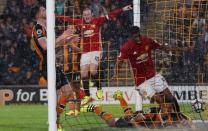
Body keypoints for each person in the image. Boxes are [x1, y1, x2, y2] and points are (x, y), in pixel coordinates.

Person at [56, 5, 133, 105]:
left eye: (88, 14)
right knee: (83, 74)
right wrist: (55, 16)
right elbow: (68, 19)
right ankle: (87, 96)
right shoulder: (80, 23)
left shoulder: (98, 20)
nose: (87, 16)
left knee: (92, 71)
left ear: (92, 15)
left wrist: (122, 9)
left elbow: (111, 15)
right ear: (83, 16)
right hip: (85, 52)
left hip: (96, 50)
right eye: (85, 15)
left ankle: (99, 89)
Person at [112, 26, 194, 113]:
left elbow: (163, 47)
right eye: (135, 37)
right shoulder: (127, 47)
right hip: (140, 81)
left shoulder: (147, 40)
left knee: (170, 97)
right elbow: (120, 61)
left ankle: (179, 116)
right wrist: (115, 73)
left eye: (138, 35)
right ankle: (164, 120)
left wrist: (183, 49)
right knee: (160, 100)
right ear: (131, 37)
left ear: (140, 33)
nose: (138, 38)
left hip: (153, 75)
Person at [30, 4, 81, 130]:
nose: (46, 10)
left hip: (54, 64)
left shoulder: (47, 27)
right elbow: (46, 47)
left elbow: (55, 45)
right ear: (37, 15)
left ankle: (55, 119)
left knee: (68, 92)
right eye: (43, 9)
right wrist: (64, 35)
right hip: (46, 65)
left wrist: (68, 39)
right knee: (58, 94)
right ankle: (54, 122)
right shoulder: (38, 28)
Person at [80, 90, 191, 128]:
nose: (169, 109)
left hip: (144, 122)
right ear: (161, 106)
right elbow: (134, 120)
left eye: (170, 107)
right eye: (167, 106)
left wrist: (188, 124)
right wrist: (141, 128)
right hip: (137, 121)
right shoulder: (153, 113)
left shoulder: (176, 115)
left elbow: (189, 122)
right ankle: (95, 108)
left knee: (129, 113)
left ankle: (119, 97)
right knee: (111, 123)